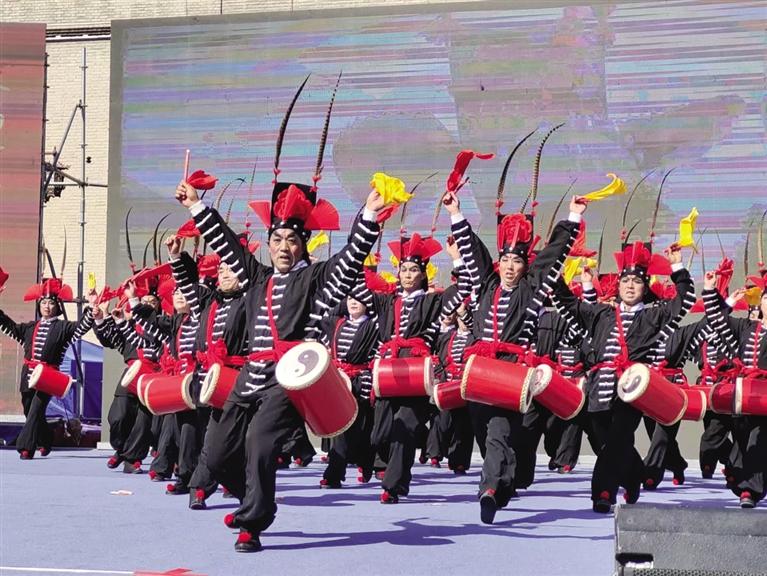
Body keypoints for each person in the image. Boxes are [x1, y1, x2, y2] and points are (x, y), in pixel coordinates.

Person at [449, 190, 586, 524]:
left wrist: (573, 217)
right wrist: (456, 213)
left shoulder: (531, 290)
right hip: (480, 370)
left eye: (518, 262)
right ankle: (504, 485)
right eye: (506, 261)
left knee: (498, 432)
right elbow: (473, 252)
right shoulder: (487, 284)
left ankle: (489, 490)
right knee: (487, 436)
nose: (510, 267)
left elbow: (552, 256)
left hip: (512, 373)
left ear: (526, 266)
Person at [553, 240, 694, 512]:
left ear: (645, 287)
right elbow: (570, 305)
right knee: (607, 444)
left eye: (637, 282)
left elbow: (684, 300)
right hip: (598, 391)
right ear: (618, 286)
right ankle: (633, 477)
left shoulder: (654, 316)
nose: (630, 286)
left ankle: (603, 494)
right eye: (626, 281)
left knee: (617, 441)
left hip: (631, 392)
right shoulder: (601, 314)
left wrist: (677, 266)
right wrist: (557, 278)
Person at [0, 278, 95, 459]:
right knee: (29, 410)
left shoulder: (64, 328)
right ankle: (46, 439)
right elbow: (8, 325)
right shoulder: (30, 328)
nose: (47, 306)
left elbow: (82, 327)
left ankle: (26, 448)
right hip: (28, 376)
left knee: (36, 409)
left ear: (57, 306)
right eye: (43, 303)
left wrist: (91, 306)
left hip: (49, 377)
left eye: (51, 303)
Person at [703, 272, 767, 508]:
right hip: (742, 395)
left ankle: (751, 491)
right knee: (740, 442)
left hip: (764, 398)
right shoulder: (746, 327)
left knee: (758, 440)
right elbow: (716, 320)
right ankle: (744, 483)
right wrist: (710, 291)